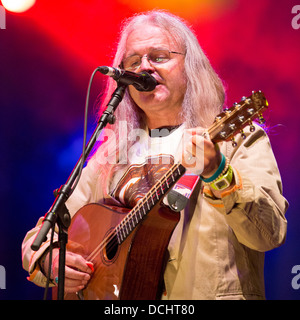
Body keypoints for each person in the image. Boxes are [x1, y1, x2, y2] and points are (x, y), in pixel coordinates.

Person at [22, 10, 288, 300]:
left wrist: (219, 172)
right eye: (134, 62)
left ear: (191, 66)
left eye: (158, 56)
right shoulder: (110, 156)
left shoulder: (236, 140)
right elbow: (39, 238)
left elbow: (268, 233)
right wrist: (50, 261)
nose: (144, 68)